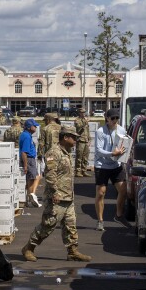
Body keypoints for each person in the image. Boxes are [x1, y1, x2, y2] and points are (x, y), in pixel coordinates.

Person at [21, 129, 92, 263]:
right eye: (73, 137)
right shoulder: (54, 152)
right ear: (65, 137)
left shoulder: (67, 153)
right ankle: (29, 248)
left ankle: (72, 251)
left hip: (68, 197)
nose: (75, 140)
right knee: (48, 225)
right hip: (57, 197)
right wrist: (55, 192)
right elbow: (50, 174)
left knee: (70, 225)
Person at [94, 108, 128, 231]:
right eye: (112, 118)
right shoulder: (100, 131)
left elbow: (124, 145)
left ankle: (118, 215)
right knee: (101, 193)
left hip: (116, 165)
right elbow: (98, 150)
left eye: (116, 118)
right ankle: (100, 221)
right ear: (107, 118)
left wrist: (125, 154)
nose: (114, 120)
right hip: (102, 165)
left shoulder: (121, 130)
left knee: (123, 189)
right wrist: (112, 154)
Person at [19, 118, 42, 207]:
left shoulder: (27, 135)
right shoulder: (27, 136)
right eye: (34, 126)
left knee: (33, 178)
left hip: (29, 159)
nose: (36, 128)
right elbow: (24, 152)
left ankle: (30, 196)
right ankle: (31, 195)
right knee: (33, 178)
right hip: (28, 159)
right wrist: (25, 165)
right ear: (29, 127)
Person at [74, 107, 90, 177]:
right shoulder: (77, 120)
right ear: (79, 113)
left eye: (84, 112)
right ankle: (78, 171)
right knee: (79, 156)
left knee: (85, 156)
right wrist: (85, 122)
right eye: (82, 112)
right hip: (80, 140)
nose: (84, 114)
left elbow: (87, 131)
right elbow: (79, 128)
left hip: (86, 140)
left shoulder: (85, 120)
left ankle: (84, 170)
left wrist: (89, 139)